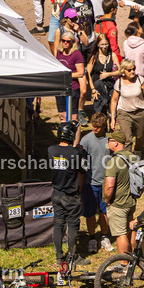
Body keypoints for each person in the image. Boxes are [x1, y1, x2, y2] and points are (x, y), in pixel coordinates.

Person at [50, 121, 88, 268]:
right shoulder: (76, 153)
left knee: (58, 224)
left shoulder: (51, 150)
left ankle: (59, 257)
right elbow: (84, 169)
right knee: (72, 225)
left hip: (56, 193)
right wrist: (82, 153)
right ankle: (72, 256)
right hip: (71, 195)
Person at [80, 113, 114, 255]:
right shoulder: (86, 140)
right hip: (90, 183)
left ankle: (105, 236)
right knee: (90, 213)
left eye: (98, 127)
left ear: (104, 126)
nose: (95, 128)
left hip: (105, 183)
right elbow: (81, 162)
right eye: (93, 126)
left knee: (104, 211)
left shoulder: (109, 140)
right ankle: (92, 237)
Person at [103, 129, 136, 256]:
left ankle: (123, 263)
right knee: (130, 230)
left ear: (116, 143)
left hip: (118, 204)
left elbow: (109, 186)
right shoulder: (132, 157)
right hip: (131, 201)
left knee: (120, 234)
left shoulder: (113, 162)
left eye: (110, 140)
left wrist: (107, 200)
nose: (108, 142)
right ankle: (133, 258)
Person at [87, 31, 120, 117]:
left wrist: (108, 74)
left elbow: (120, 71)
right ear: (98, 44)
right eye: (102, 44)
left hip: (110, 84)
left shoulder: (112, 55)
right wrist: (93, 90)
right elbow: (88, 74)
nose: (105, 46)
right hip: (97, 86)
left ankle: (112, 120)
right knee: (99, 107)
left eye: (106, 44)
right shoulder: (94, 57)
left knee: (112, 103)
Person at [56, 30, 85, 120]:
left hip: (72, 87)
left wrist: (67, 75)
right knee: (62, 115)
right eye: (63, 40)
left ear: (72, 42)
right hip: (60, 87)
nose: (65, 43)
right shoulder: (58, 52)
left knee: (73, 117)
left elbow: (80, 73)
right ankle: (63, 129)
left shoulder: (76, 54)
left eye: (68, 41)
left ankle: (74, 129)